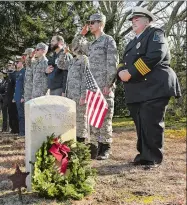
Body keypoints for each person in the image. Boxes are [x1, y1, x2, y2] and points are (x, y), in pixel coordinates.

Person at [117, 7, 181, 169]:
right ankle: (144, 155)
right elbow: (123, 63)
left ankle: (153, 157)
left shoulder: (155, 33)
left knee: (151, 122)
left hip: (155, 86)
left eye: (138, 19)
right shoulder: (131, 42)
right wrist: (120, 72)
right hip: (139, 90)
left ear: (148, 21)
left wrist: (131, 72)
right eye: (132, 20)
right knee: (141, 123)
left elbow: (155, 55)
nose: (134, 22)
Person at [74, 13, 118, 160]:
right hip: (92, 88)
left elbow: (112, 62)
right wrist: (81, 33)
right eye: (89, 22)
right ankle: (96, 146)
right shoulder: (91, 45)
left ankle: (105, 147)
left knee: (105, 117)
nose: (90, 24)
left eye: (92, 22)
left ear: (101, 24)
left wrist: (109, 83)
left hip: (104, 86)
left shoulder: (108, 40)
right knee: (94, 118)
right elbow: (74, 47)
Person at [13, 56, 26, 136]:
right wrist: (14, 97)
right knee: (19, 115)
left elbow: (25, 85)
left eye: (18, 62)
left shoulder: (24, 72)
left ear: (22, 63)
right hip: (17, 96)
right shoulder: (18, 72)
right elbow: (16, 86)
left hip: (21, 97)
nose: (16, 64)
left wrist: (23, 96)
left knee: (22, 115)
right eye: (16, 62)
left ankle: (23, 132)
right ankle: (21, 131)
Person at [7, 60, 19, 134]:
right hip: (9, 96)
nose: (10, 66)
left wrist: (11, 73)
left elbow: (15, 82)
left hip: (14, 95)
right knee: (10, 113)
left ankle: (16, 128)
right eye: (8, 65)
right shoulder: (10, 74)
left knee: (15, 113)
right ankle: (12, 128)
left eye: (11, 65)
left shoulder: (15, 74)